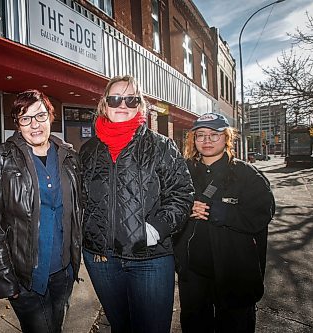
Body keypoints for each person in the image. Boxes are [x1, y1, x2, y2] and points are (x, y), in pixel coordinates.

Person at [80, 75, 194, 333]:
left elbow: (182, 193)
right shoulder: (88, 151)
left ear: (140, 105)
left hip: (150, 258)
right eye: (115, 98)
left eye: (131, 99)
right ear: (104, 105)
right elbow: (80, 200)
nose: (123, 104)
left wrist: (154, 230)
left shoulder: (161, 145)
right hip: (102, 259)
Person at [0, 89, 82, 333]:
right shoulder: (3, 157)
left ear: (50, 116)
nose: (34, 125)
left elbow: (79, 211)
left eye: (39, 116)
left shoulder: (68, 156)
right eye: (25, 118)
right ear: (17, 124)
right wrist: (6, 280)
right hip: (25, 278)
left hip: (63, 272)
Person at [174, 113, 275, 332]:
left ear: (227, 138)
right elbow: (165, 206)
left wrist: (219, 211)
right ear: (193, 139)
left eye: (214, 134)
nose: (207, 140)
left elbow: (262, 213)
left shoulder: (247, 174)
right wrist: (184, 210)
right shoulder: (182, 171)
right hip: (193, 274)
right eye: (200, 135)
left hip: (235, 273)